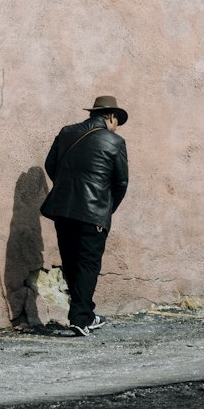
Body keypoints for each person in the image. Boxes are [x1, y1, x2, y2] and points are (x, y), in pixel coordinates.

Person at [40, 94, 129, 337]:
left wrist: (67, 187)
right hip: (93, 213)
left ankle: (86, 313)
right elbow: (121, 183)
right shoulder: (115, 142)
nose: (116, 126)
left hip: (62, 209)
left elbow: (51, 164)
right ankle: (80, 318)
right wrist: (106, 208)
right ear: (111, 116)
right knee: (88, 264)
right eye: (116, 121)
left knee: (71, 262)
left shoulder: (67, 132)